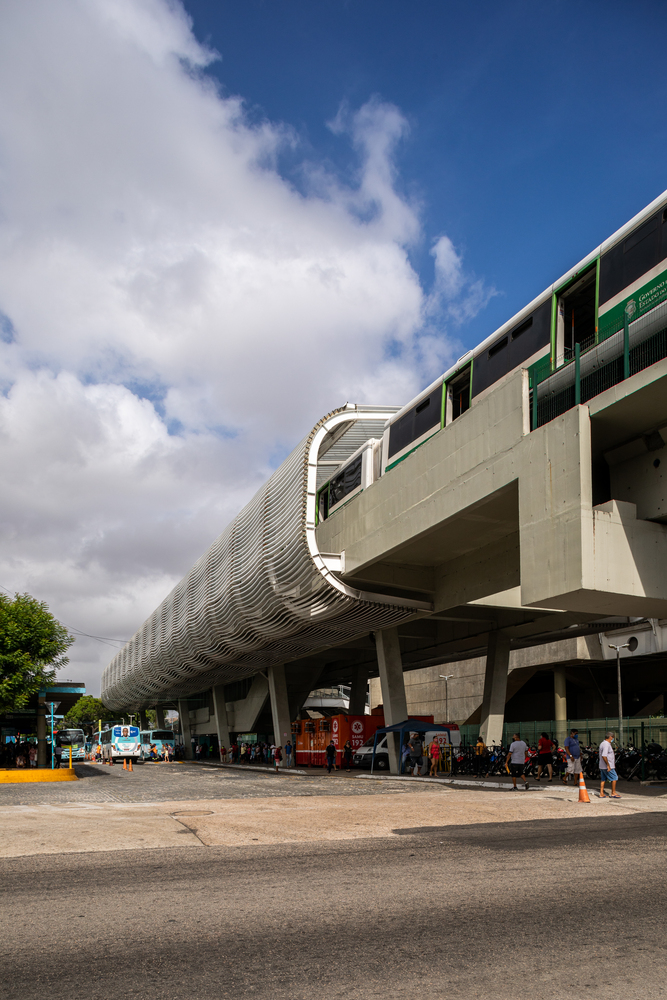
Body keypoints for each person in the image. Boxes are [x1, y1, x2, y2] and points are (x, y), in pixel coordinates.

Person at [599, 732, 621, 799]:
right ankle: (613, 793)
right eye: (613, 737)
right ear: (610, 737)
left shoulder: (602, 743)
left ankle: (601, 793)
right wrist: (608, 765)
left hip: (602, 766)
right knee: (614, 778)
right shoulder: (606, 745)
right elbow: (604, 755)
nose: (613, 739)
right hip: (607, 766)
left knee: (603, 779)